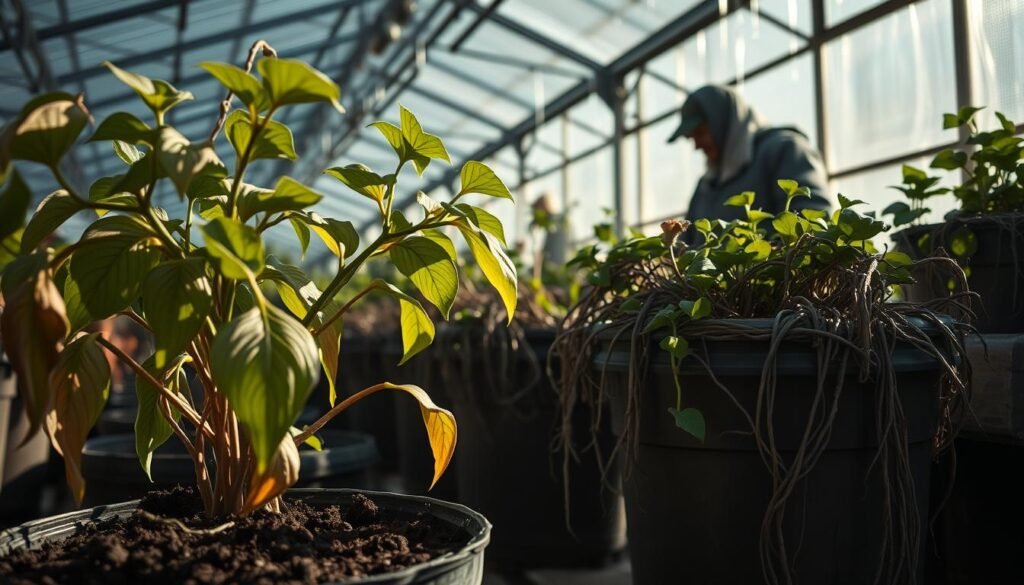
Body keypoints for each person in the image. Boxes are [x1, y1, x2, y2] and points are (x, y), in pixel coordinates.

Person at [667, 85, 831, 224]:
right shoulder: (705, 186)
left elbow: (814, 222)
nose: (696, 145)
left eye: (700, 133)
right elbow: (685, 244)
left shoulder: (784, 150)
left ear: (722, 122)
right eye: (691, 138)